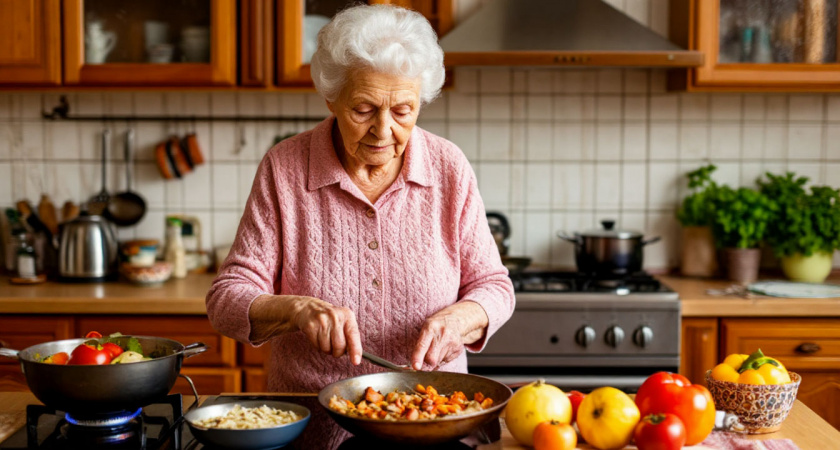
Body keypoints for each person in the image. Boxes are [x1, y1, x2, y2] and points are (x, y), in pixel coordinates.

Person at [206, 4, 515, 393]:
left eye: (403, 110)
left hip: (432, 413)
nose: (383, 130)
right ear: (331, 99)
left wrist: (461, 319)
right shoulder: (285, 168)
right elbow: (226, 298)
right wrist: (297, 310)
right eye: (364, 109)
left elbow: (495, 286)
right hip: (317, 418)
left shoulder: (447, 166)